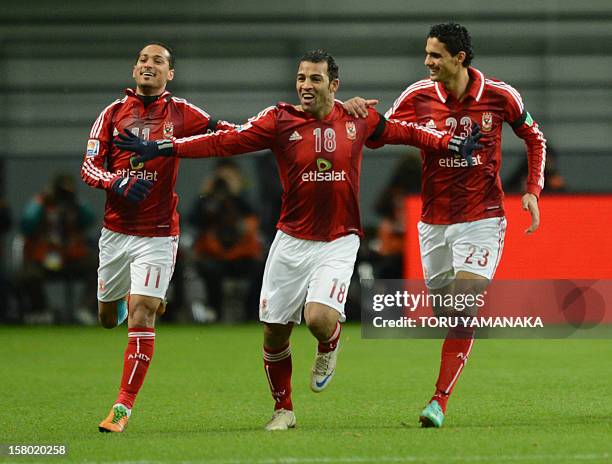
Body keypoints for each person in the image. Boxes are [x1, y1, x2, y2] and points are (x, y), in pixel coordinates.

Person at [115, 49, 482, 431]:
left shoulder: (357, 118)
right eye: (301, 78)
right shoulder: (278, 120)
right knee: (274, 331)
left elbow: (403, 131)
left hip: (340, 238)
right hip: (291, 238)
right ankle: (284, 410)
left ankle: (330, 342)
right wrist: (165, 146)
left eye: (315, 79)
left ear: (334, 85)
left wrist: (448, 143)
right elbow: (226, 141)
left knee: (319, 319)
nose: (306, 86)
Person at [344, 22, 546, 427]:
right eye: (427, 54)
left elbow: (534, 138)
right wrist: (359, 114)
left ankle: (438, 401)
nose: (428, 61)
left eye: (436, 55)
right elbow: (380, 135)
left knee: (463, 301)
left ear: (460, 58)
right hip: (434, 221)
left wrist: (531, 189)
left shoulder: (500, 95)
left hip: (483, 217)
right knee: (445, 307)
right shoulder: (418, 96)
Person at [80, 42, 235, 433]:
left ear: (170, 74)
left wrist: (174, 147)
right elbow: (88, 167)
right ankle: (125, 301)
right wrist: (116, 182)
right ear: (134, 69)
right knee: (105, 319)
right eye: (144, 60)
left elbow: (231, 136)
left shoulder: (182, 113)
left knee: (144, 311)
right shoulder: (112, 113)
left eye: (159, 62)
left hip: (159, 233)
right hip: (116, 233)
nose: (150, 65)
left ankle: (122, 407)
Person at [188, 160, 263, 321]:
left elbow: (257, 215)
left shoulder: (243, 196)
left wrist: (237, 193)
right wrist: (204, 195)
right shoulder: (208, 198)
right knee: (208, 269)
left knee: (260, 268)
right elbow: (193, 220)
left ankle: (251, 315)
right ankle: (215, 314)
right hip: (214, 255)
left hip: (241, 255)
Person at [17, 173, 97, 323]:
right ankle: (40, 311)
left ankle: (85, 309)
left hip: (70, 257)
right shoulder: (42, 203)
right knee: (29, 275)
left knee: (98, 268)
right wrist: (40, 201)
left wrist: (77, 201)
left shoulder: (75, 205)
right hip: (43, 257)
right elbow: (26, 223)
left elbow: (90, 219)